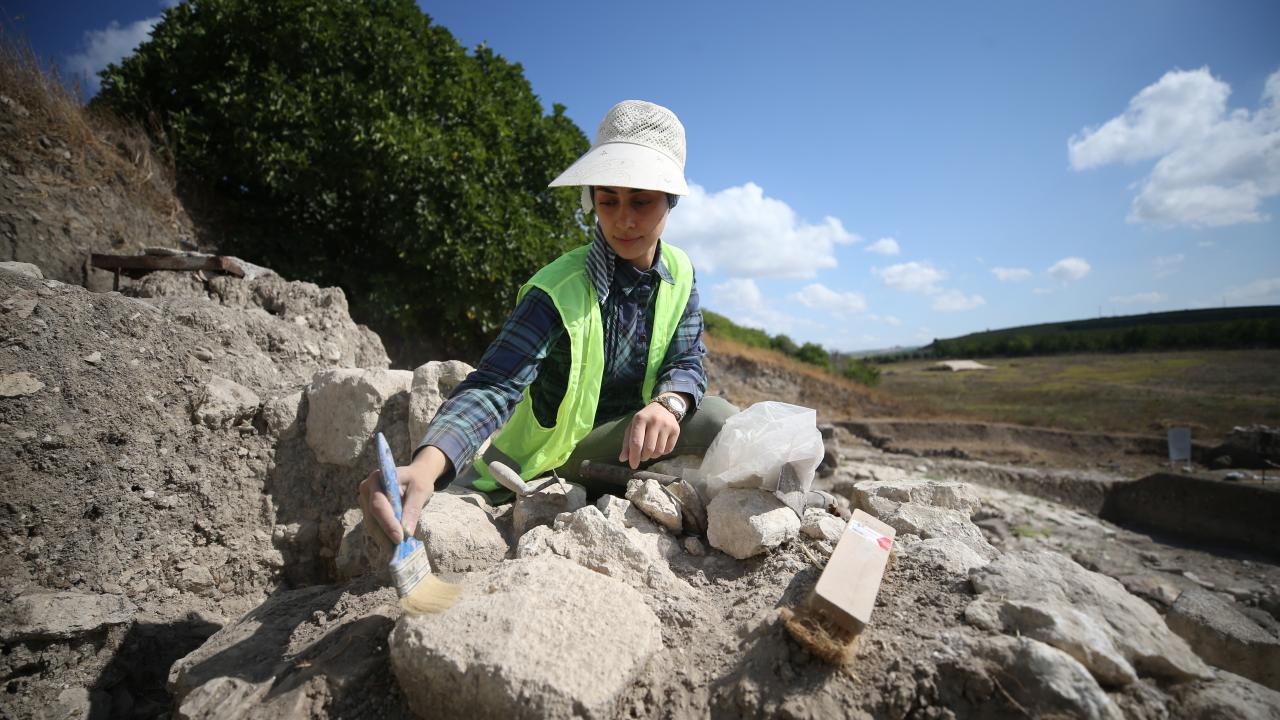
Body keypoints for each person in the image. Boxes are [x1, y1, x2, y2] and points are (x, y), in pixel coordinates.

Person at [359, 99, 737, 547]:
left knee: (717, 417)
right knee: (717, 418)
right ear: (591, 199)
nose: (623, 219)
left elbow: (689, 356)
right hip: (540, 466)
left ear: (670, 202)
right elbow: (494, 385)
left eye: (641, 201)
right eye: (608, 200)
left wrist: (669, 403)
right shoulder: (557, 289)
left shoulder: (681, 272)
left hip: (627, 444)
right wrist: (426, 465)